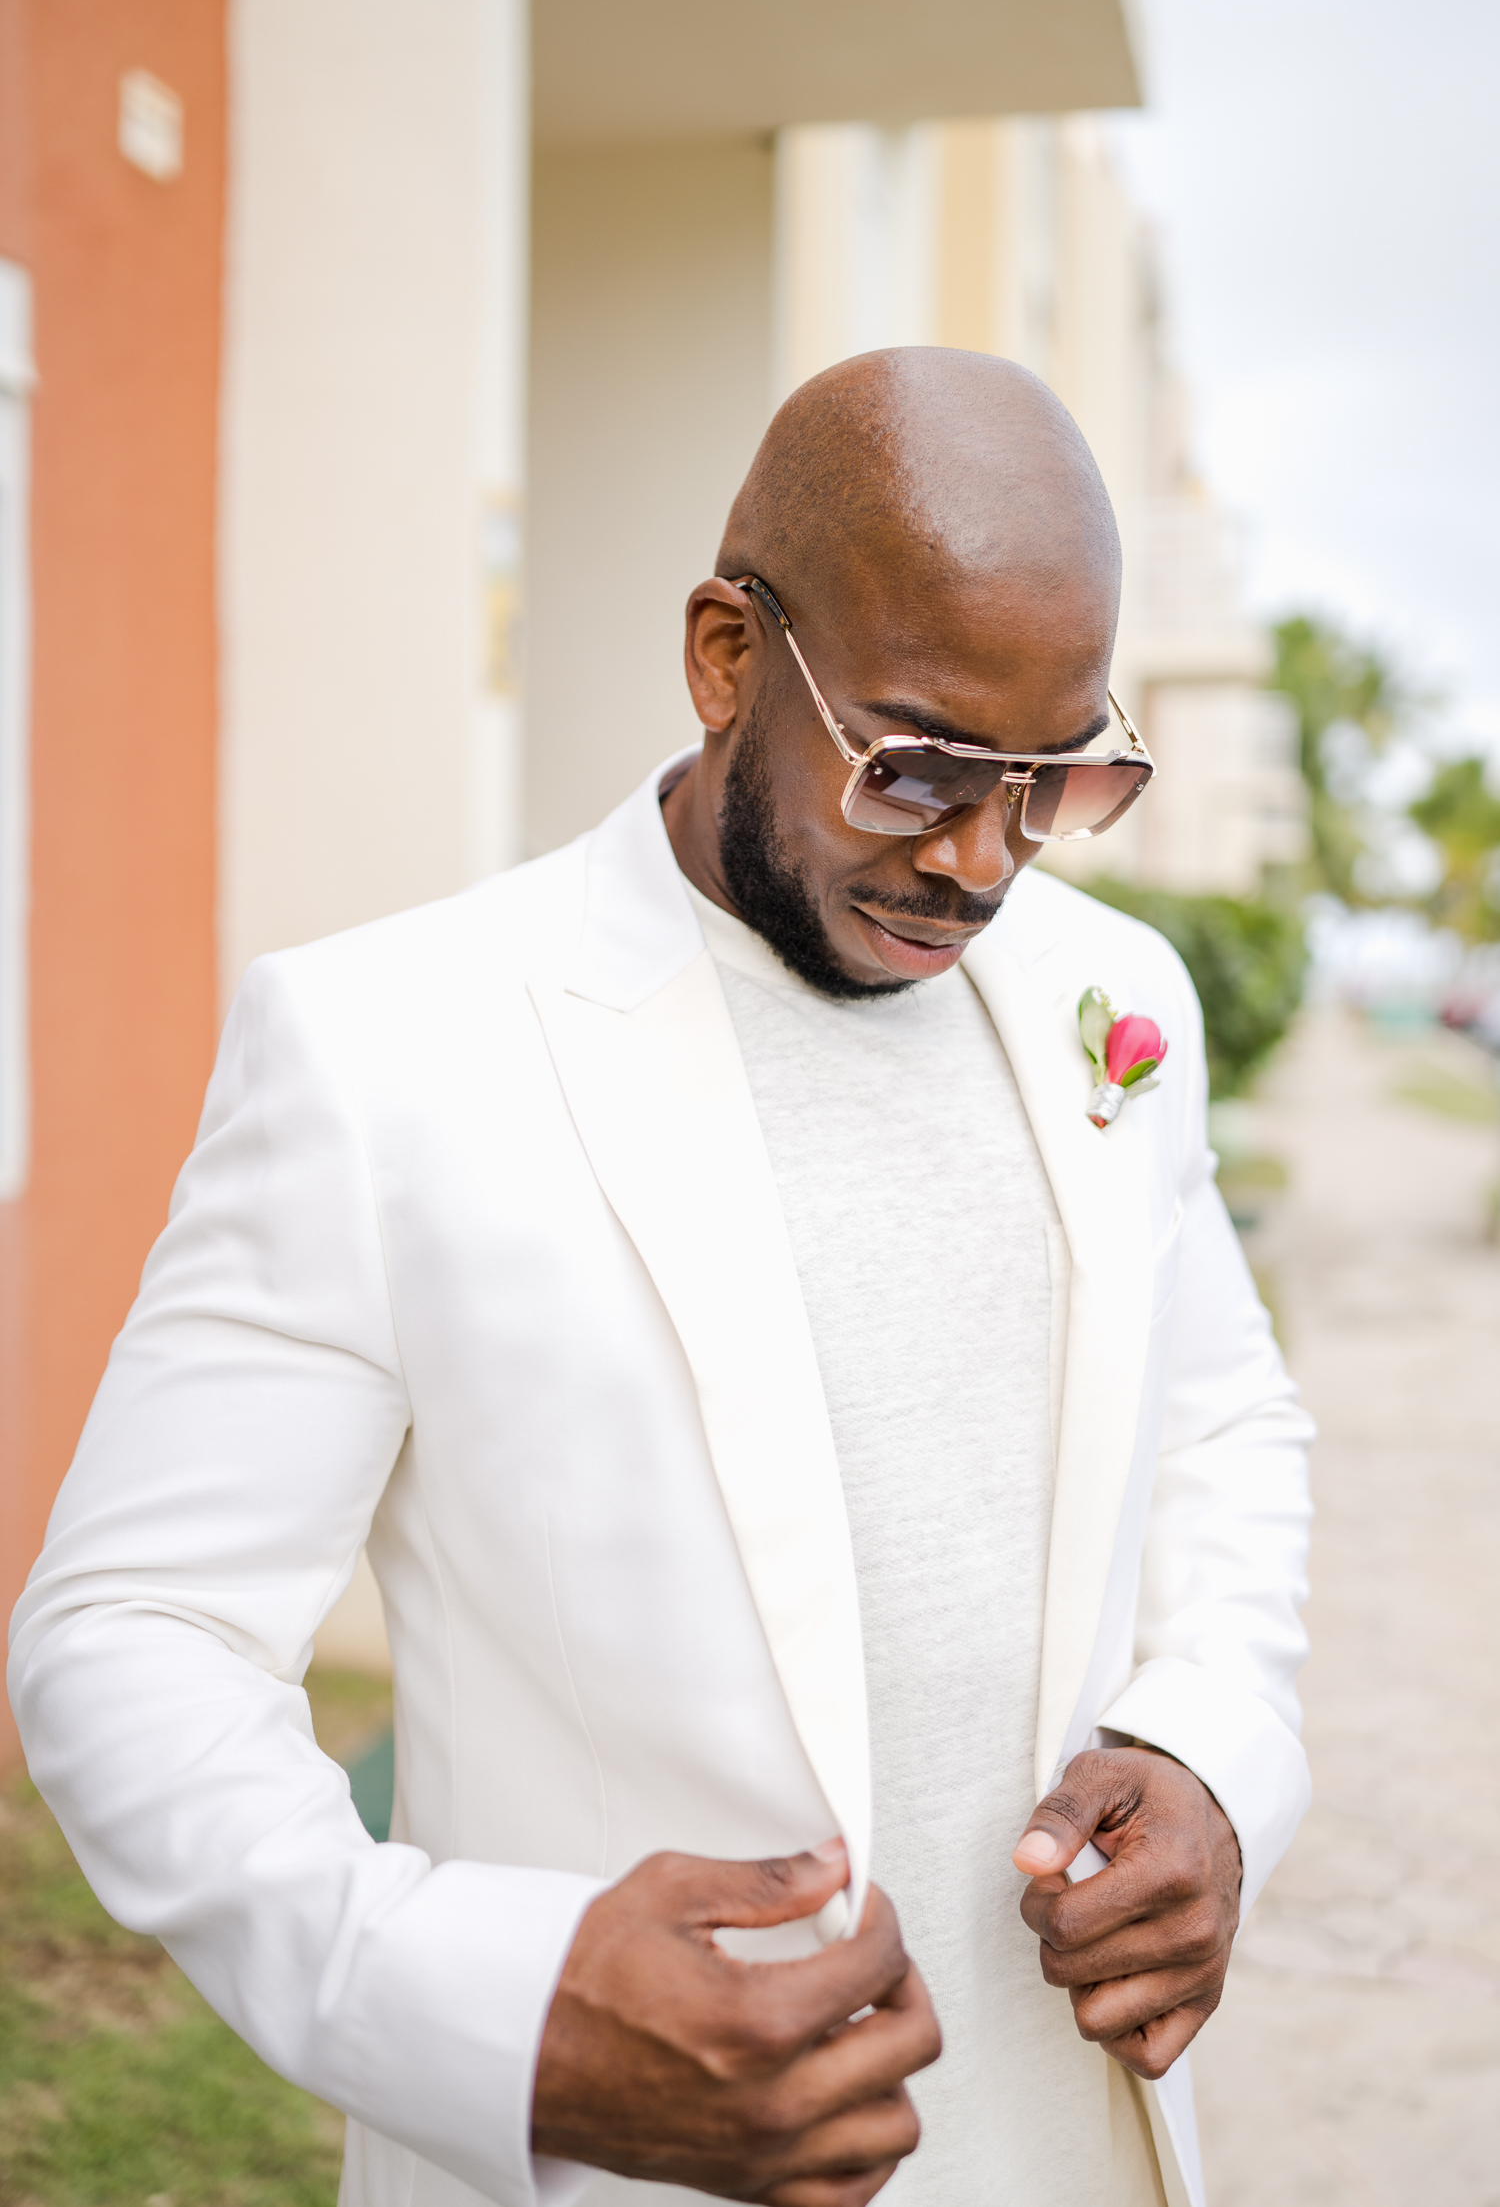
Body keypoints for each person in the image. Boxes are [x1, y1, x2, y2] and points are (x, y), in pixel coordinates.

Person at [9, 350, 1313, 2207]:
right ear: (724, 655)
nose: (976, 861)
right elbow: (135, 1635)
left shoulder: (1125, 1008)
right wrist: (494, 2015)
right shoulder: (389, 1049)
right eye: (919, 761)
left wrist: (1213, 1748)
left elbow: (1223, 1426)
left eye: (1055, 782)